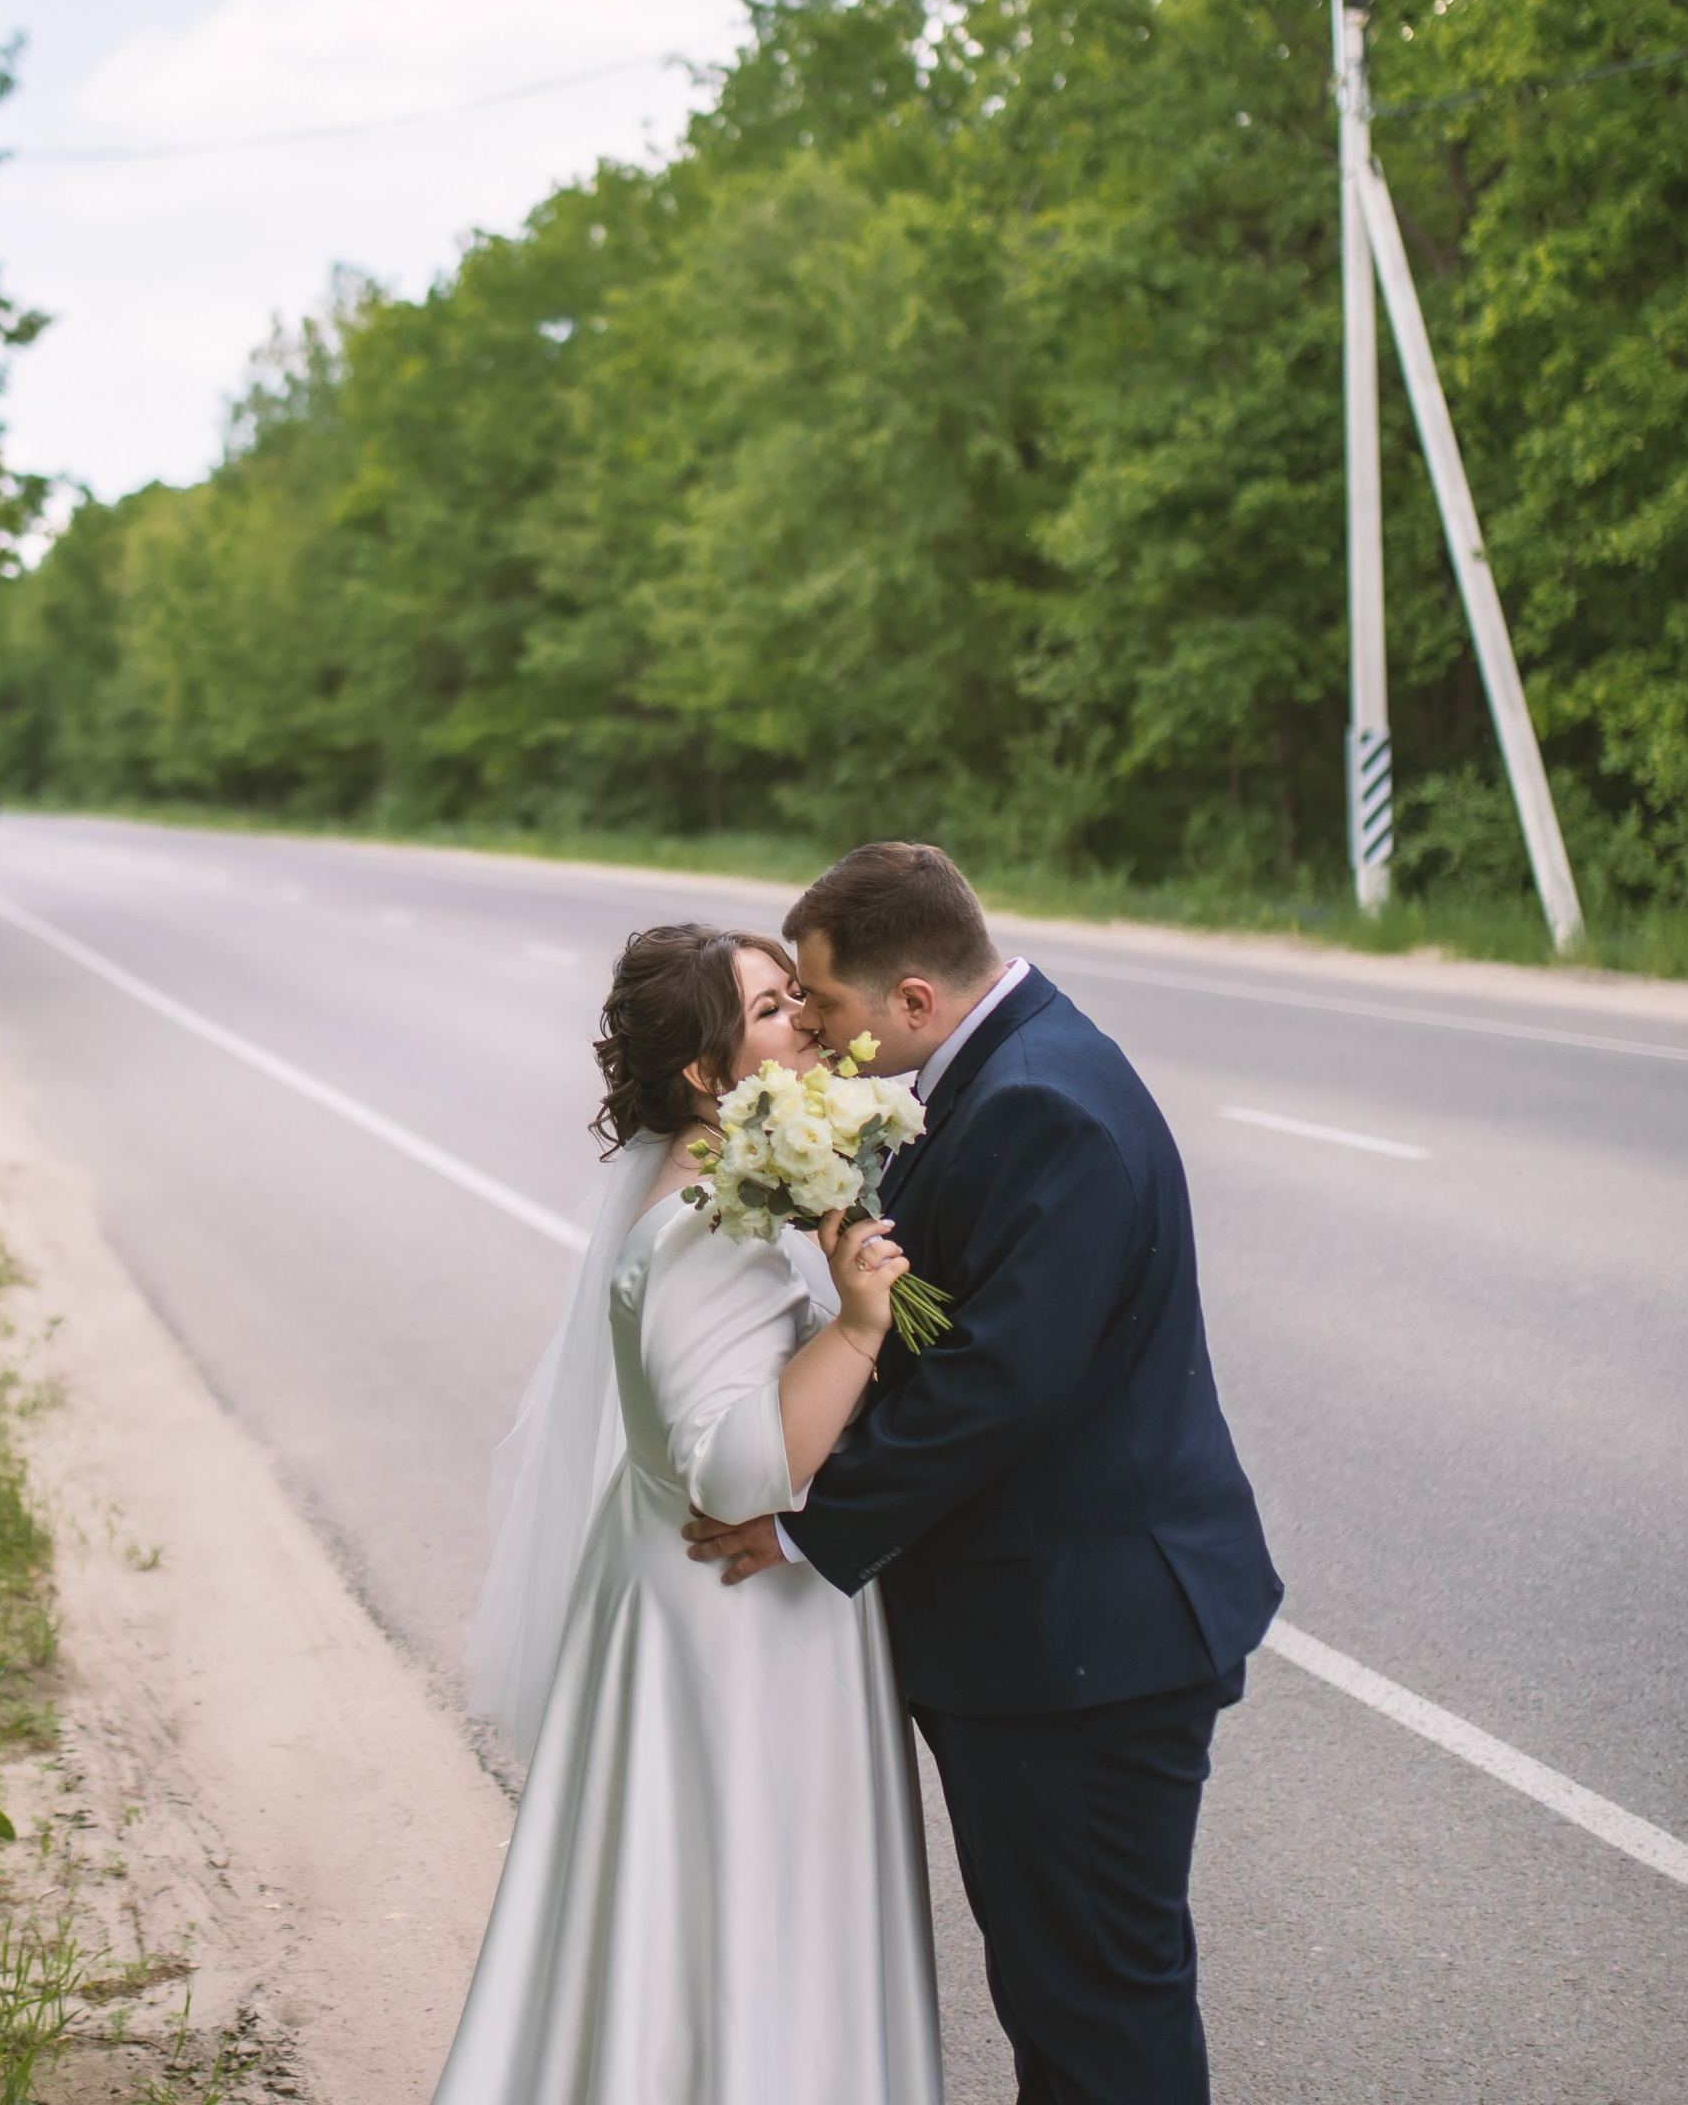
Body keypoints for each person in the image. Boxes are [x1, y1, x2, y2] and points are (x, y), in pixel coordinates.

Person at [686, 841, 1284, 2105]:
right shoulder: (1000, 1071)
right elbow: (952, 1327)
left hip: (1082, 1647)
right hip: (1055, 1638)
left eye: (828, 1004)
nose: (816, 1032)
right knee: (1072, 1993)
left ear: (913, 998)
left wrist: (806, 1527)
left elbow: (998, 1381)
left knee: (1095, 2012)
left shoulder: (1038, 1103)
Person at [434, 923, 944, 2105]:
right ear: (709, 1078)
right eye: (773, 1011)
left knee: (692, 1914)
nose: (808, 1025)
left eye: (793, 1000)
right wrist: (862, 1326)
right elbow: (733, 1471)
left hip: (693, 1611)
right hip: (734, 1621)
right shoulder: (705, 1225)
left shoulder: (713, 1194)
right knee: (741, 1904)